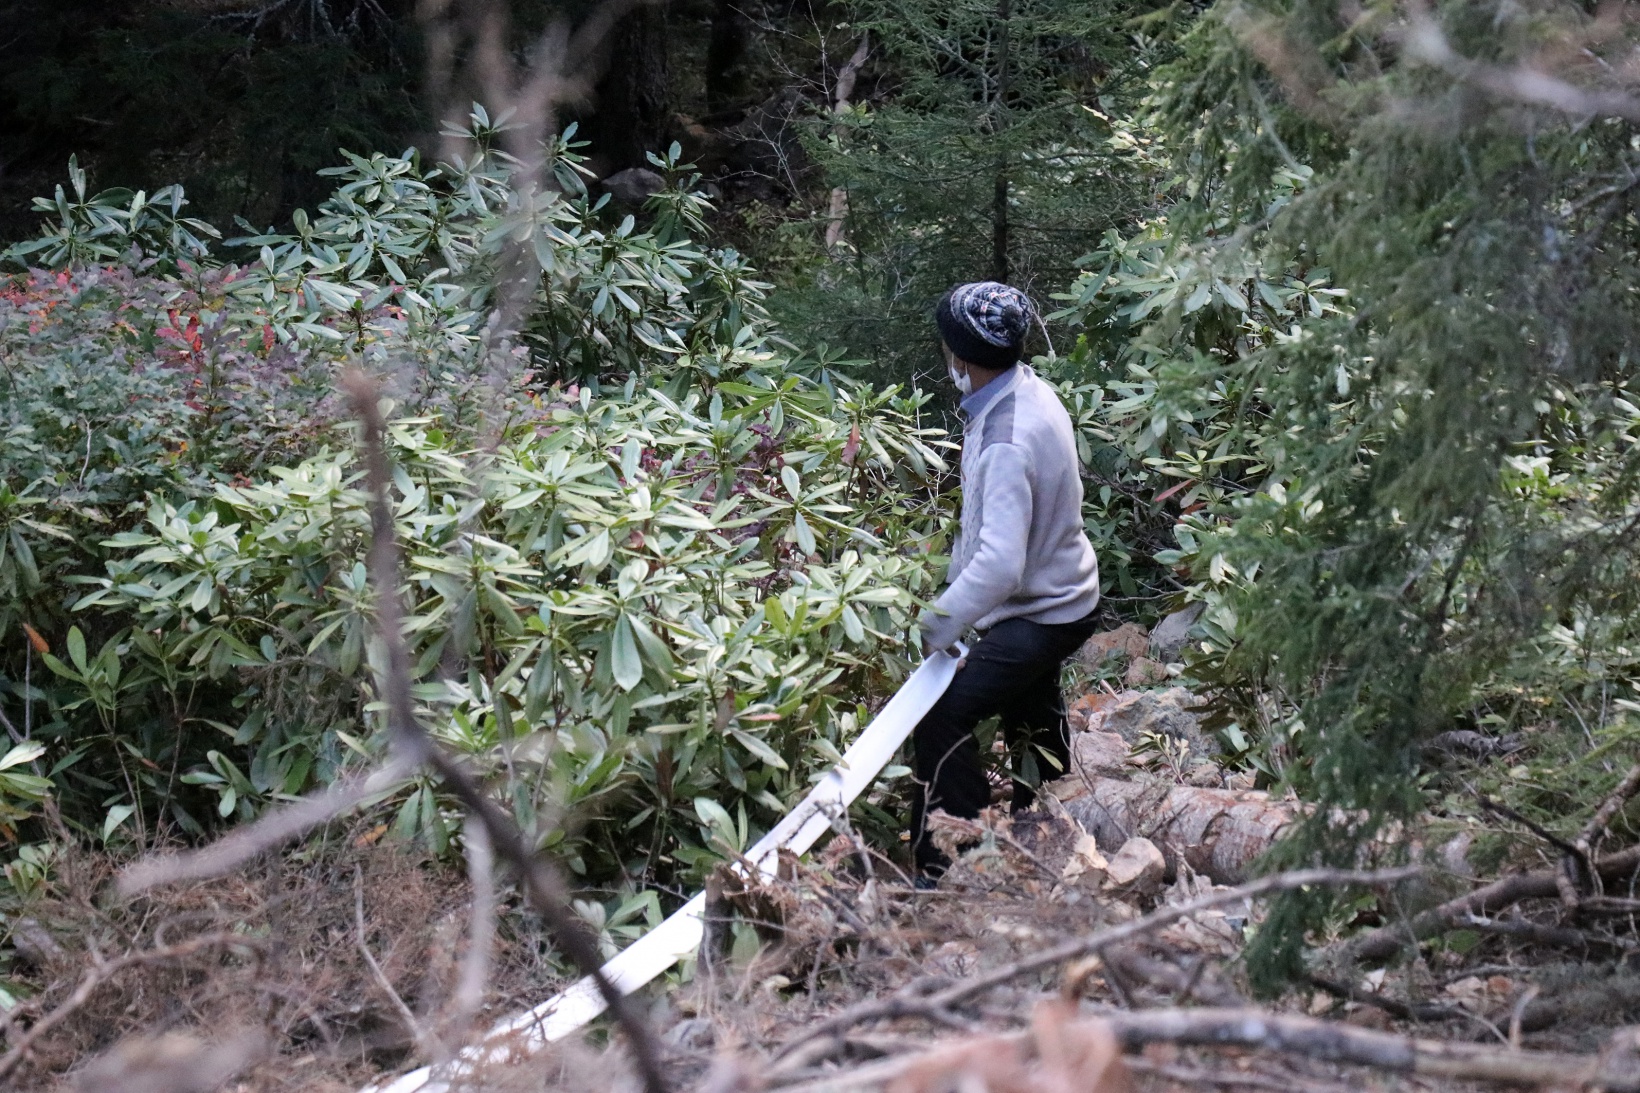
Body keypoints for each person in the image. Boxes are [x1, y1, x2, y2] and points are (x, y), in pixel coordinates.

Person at [910, 281, 1102, 877]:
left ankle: (950, 859)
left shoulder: (1004, 438)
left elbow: (998, 563)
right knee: (1029, 712)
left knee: (941, 714)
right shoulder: (1024, 393)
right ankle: (1044, 820)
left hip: (1043, 609)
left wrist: (937, 625)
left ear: (962, 357)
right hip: (1063, 590)